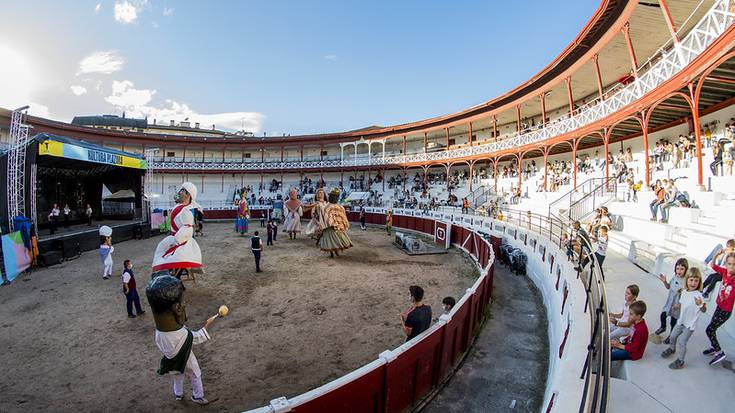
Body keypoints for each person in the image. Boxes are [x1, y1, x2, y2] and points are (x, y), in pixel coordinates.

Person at [146, 275, 217, 405]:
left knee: (177, 376)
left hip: (170, 360)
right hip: (185, 357)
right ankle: (198, 396)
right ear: (177, 308)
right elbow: (197, 337)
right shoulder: (181, 334)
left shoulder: (159, 334)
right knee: (195, 373)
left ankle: (178, 394)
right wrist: (208, 323)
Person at [152, 182, 203, 277]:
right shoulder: (179, 207)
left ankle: (177, 277)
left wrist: (177, 240)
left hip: (180, 242)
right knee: (162, 249)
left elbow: (187, 229)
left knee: (174, 258)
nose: (179, 192)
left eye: (182, 191)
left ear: (188, 195)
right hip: (174, 237)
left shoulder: (186, 212)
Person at [661, 268, 707, 369]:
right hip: (681, 321)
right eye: (691, 280)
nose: (693, 283)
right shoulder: (685, 292)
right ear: (687, 280)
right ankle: (672, 348)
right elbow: (683, 303)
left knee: (682, 342)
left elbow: (704, 310)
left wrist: (700, 305)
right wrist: (676, 306)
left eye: (696, 280)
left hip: (690, 325)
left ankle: (680, 360)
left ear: (699, 282)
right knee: (672, 336)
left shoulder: (699, 296)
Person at [703, 249, 735, 366]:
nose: (731, 267)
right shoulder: (725, 272)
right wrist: (718, 253)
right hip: (719, 306)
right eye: (729, 264)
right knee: (712, 328)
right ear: (726, 264)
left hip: (725, 311)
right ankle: (713, 347)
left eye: (734, 264)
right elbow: (713, 265)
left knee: (709, 329)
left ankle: (719, 352)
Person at [655, 258, 687, 339]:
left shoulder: (686, 282)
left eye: (682, 269)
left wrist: (678, 305)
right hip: (669, 303)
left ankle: (671, 336)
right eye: (677, 268)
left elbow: (685, 297)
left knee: (673, 322)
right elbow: (668, 287)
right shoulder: (674, 276)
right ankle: (663, 327)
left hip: (677, 306)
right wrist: (664, 281)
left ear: (686, 270)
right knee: (663, 315)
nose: (679, 271)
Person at [319, 188, 352, 258]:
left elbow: (343, 218)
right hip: (332, 227)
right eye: (333, 196)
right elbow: (324, 218)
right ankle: (334, 253)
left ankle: (334, 252)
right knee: (333, 240)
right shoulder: (338, 207)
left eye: (335, 196)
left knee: (331, 241)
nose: (334, 198)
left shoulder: (329, 207)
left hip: (333, 227)